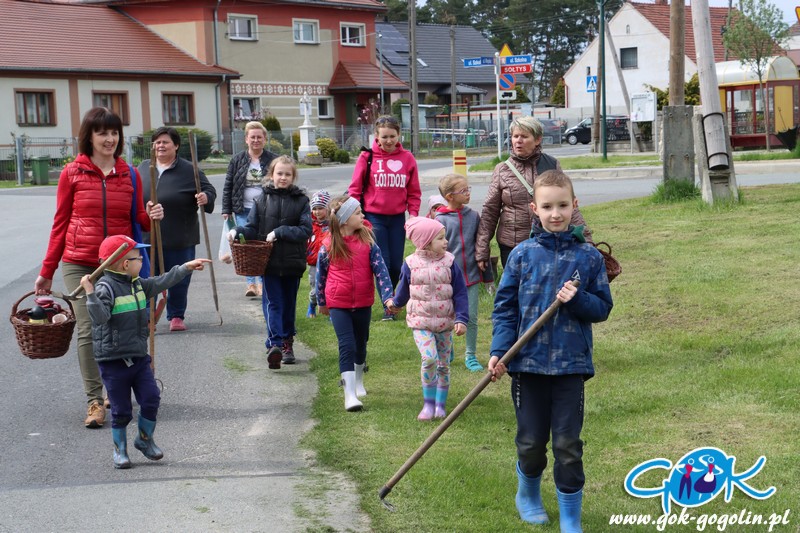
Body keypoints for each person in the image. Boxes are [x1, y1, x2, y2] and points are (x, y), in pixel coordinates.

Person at [487, 170, 613, 532]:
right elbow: (505, 308)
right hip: (527, 365)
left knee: (568, 444)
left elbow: (602, 308)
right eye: (547, 206)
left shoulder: (588, 258)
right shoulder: (522, 255)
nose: (555, 213)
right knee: (530, 442)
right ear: (534, 209)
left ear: (574, 206)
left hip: (571, 367)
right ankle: (527, 494)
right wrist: (500, 351)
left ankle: (571, 516)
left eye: (562, 205)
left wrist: (579, 300)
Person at [34, 107, 164, 429]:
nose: (110, 139)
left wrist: (153, 214)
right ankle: (94, 400)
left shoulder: (130, 173)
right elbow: (60, 223)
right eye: (102, 132)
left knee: (121, 326)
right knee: (90, 328)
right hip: (79, 262)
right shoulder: (71, 173)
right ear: (89, 137)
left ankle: (114, 390)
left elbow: (138, 221)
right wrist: (47, 270)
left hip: (118, 264)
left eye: (114, 132)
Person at [82, 235, 211, 469]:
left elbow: (163, 281)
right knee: (121, 411)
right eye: (137, 258)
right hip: (113, 361)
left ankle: (144, 440)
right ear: (124, 264)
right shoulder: (105, 288)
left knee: (151, 398)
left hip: (139, 357)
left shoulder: (138, 284)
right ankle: (120, 451)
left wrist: (184, 268)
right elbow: (99, 318)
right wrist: (90, 294)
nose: (142, 260)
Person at [476, 116, 593, 273]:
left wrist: (588, 242)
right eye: (515, 136)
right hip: (512, 245)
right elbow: (490, 211)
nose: (518, 141)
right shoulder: (502, 170)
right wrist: (482, 249)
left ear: (537, 140)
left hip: (547, 242)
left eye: (524, 136)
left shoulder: (551, 164)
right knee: (517, 292)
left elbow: (567, 203)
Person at [229, 155, 311, 368]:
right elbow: (253, 228)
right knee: (273, 303)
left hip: (292, 263)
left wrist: (280, 232)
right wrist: (237, 231)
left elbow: (305, 230)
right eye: (279, 173)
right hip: (270, 262)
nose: (283, 178)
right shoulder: (261, 200)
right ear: (271, 175)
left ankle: (287, 342)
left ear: (293, 177)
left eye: (287, 174)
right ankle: (274, 344)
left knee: (289, 304)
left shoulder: (301, 201)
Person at [316, 196, 393, 412]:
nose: (363, 216)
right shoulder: (328, 245)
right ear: (344, 220)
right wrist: (321, 302)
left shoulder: (368, 243)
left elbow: (382, 272)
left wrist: (388, 298)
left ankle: (359, 380)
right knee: (346, 344)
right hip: (338, 303)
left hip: (362, 302)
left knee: (361, 343)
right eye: (358, 213)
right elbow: (320, 277)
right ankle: (349, 394)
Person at [386, 217, 468, 420]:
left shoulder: (449, 262)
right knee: (429, 358)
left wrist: (461, 318)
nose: (446, 242)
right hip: (420, 322)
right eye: (440, 238)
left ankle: (440, 405)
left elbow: (460, 292)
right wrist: (396, 304)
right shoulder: (411, 264)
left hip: (445, 322)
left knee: (443, 364)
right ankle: (428, 405)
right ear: (425, 241)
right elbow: (403, 289)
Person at [138, 126, 216, 332]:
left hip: (180, 235)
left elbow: (209, 190)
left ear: (176, 146)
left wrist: (205, 197)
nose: (160, 146)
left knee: (179, 278)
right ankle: (148, 316)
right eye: (157, 142)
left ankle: (176, 315)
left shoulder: (190, 170)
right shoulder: (144, 167)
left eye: (165, 142)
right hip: (148, 236)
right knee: (146, 278)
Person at [347, 115, 421, 320]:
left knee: (397, 264)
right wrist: (354, 215)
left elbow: (414, 191)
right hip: (374, 217)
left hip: (397, 218)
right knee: (383, 262)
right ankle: (389, 306)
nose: (388, 141)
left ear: (399, 135)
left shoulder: (407, 159)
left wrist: (413, 215)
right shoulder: (367, 157)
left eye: (392, 136)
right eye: (384, 137)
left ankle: (395, 299)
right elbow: (355, 189)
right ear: (377, 137)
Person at [435, 173, 492, 372]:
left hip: (472, 277)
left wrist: (488, 274)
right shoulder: (438, 220)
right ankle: (447, 348)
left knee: (472, 317)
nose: (468, 193)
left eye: (468, 189)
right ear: (450, 196)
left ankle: (471, 355)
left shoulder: (473, 216)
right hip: (447, 279)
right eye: (463, 190)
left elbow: (482, 245)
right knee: (448, 317)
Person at [222, 121, 278, 297]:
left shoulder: (273, 160)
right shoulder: (237, 160)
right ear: (246, 139)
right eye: (252, 137)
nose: (256, 140)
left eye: (259, 137)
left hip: (265, 210)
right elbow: (228, 185)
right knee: (245, 245)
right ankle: (250, 284)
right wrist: (226, 209)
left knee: (262, 245)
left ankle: (262, 282)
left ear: (265, 139)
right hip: (242, 209)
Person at [305, 189, 331, 318]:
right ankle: (312, 304)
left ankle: (332, 312)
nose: (317, 212)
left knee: (331, 287)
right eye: (314, 209)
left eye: (320, 208)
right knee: (316, 288)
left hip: (330, 261)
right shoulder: (310, 225)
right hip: (314, 262)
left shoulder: (332, 224)